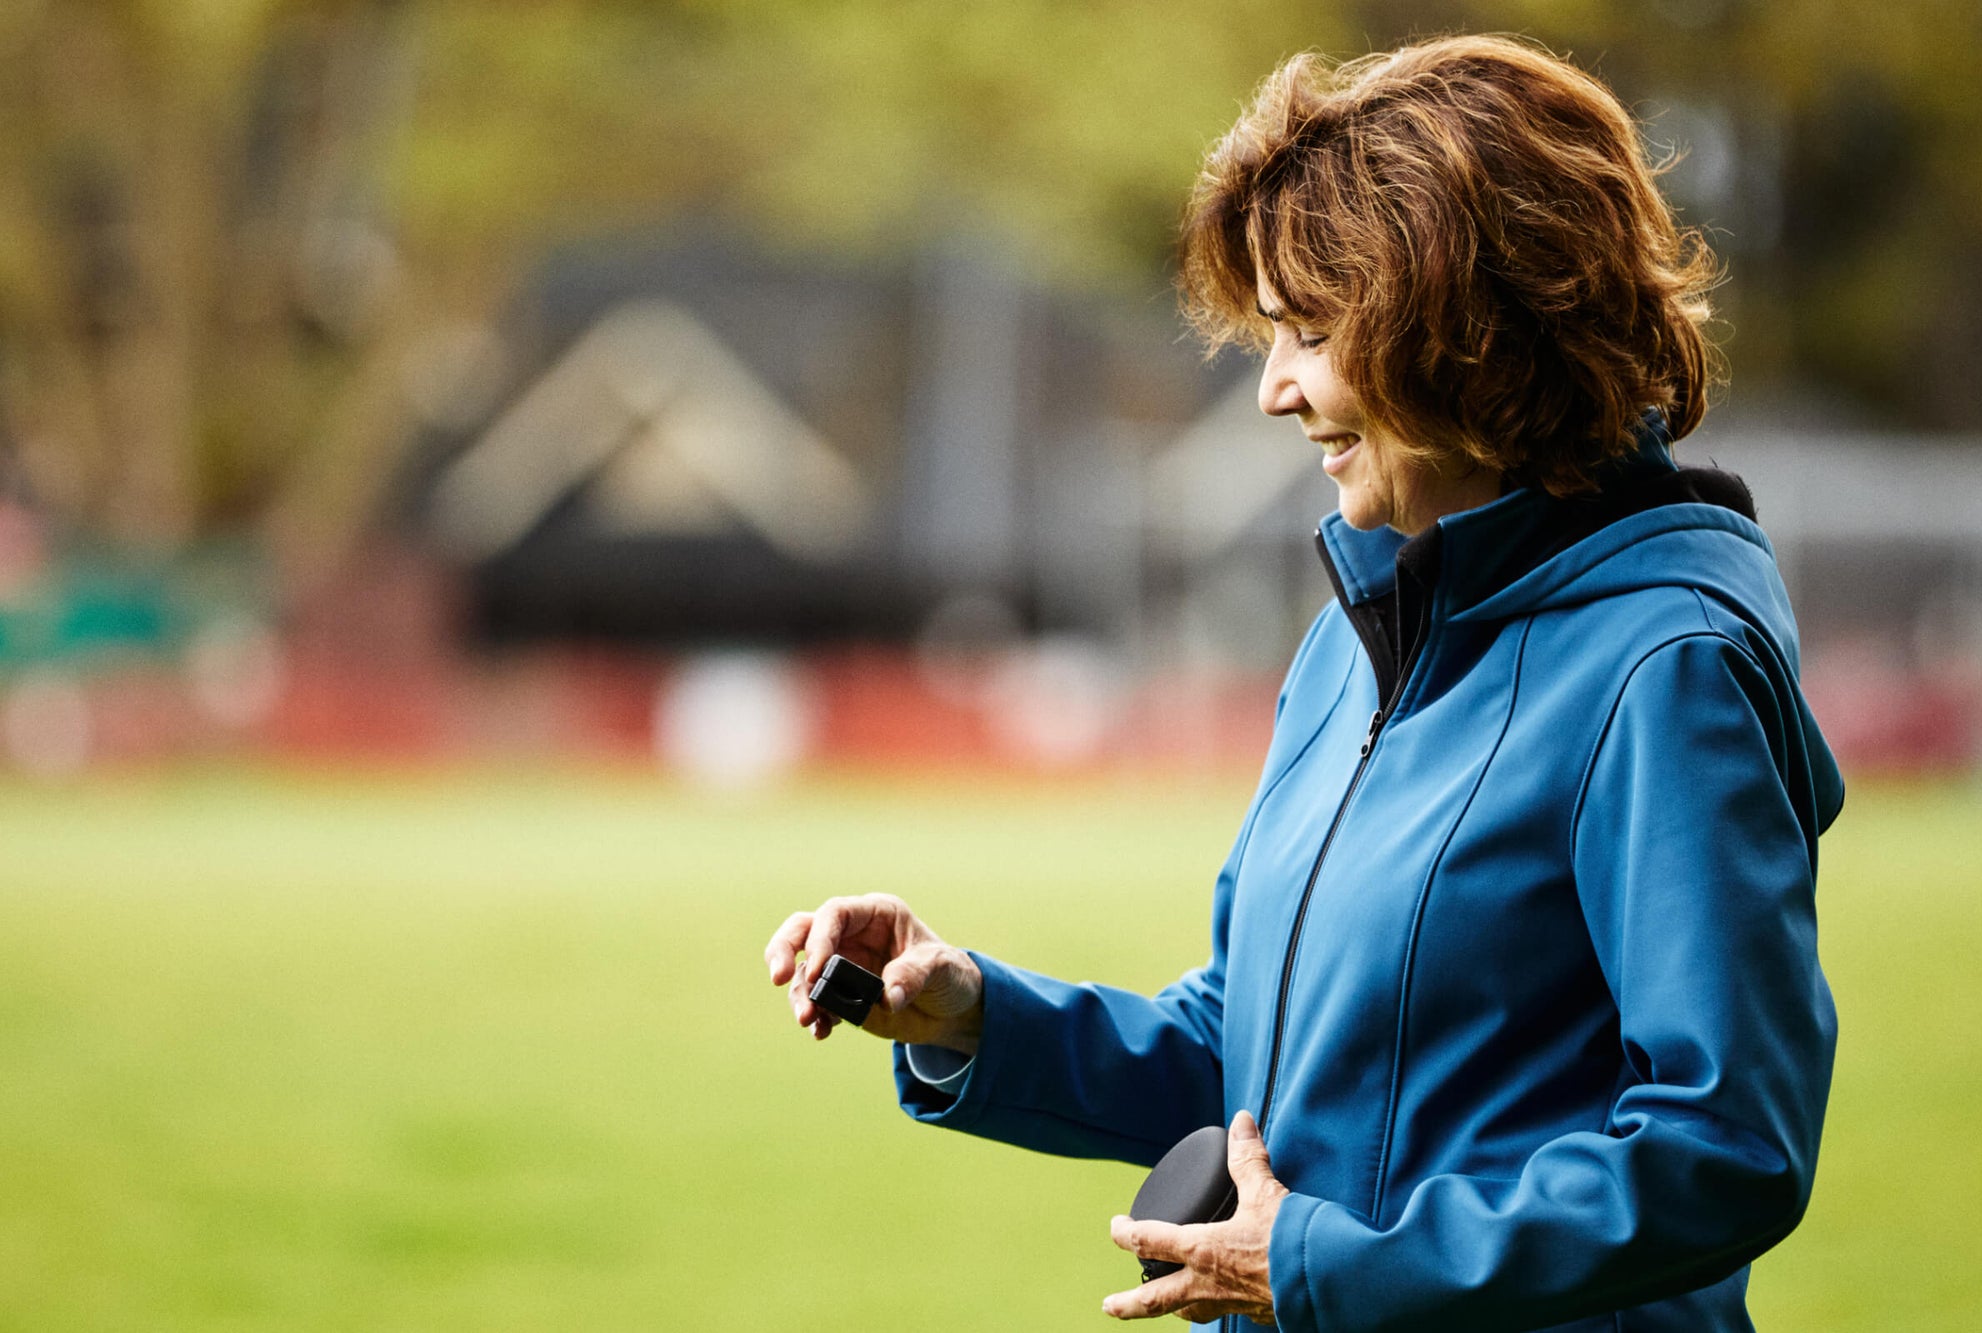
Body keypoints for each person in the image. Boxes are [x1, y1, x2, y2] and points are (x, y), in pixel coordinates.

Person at [765, 34, 1840, 1333]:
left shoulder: (1670, 670)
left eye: (1309, 333)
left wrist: (1333, 1266)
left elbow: (1723, 1147)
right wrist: (972, 1012)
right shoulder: (1354, 638)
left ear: (1466, 332)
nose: (1272, 390)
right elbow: (1254, 1052)